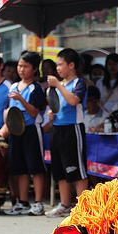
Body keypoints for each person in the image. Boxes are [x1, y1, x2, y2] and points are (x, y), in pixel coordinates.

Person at [0, 51, 46, 216]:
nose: (21, 69)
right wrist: (6, 124)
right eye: (20, 65)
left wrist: (21, 100)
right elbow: (8, 108)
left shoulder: (36, 88)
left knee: (36, 167)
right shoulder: (12, 86)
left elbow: (34, 113)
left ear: (34, 69)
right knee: (20, 168)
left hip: (31, 129)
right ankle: (22, 201)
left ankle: (38, 203)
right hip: (15, 130)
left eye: (26, 66)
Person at [45, 48, 88, 218]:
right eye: (57, 65)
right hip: (57, 128)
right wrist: (51, 114)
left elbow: (73, 100)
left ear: (71, 65)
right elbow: (58, 106)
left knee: (77, 170)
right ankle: (63, 204)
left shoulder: (79, 83)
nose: (57, 68)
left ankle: (82, 207)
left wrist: (57, 85)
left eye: (60, 64)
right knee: (60, 170)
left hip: (73, 128)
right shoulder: (60, 86)